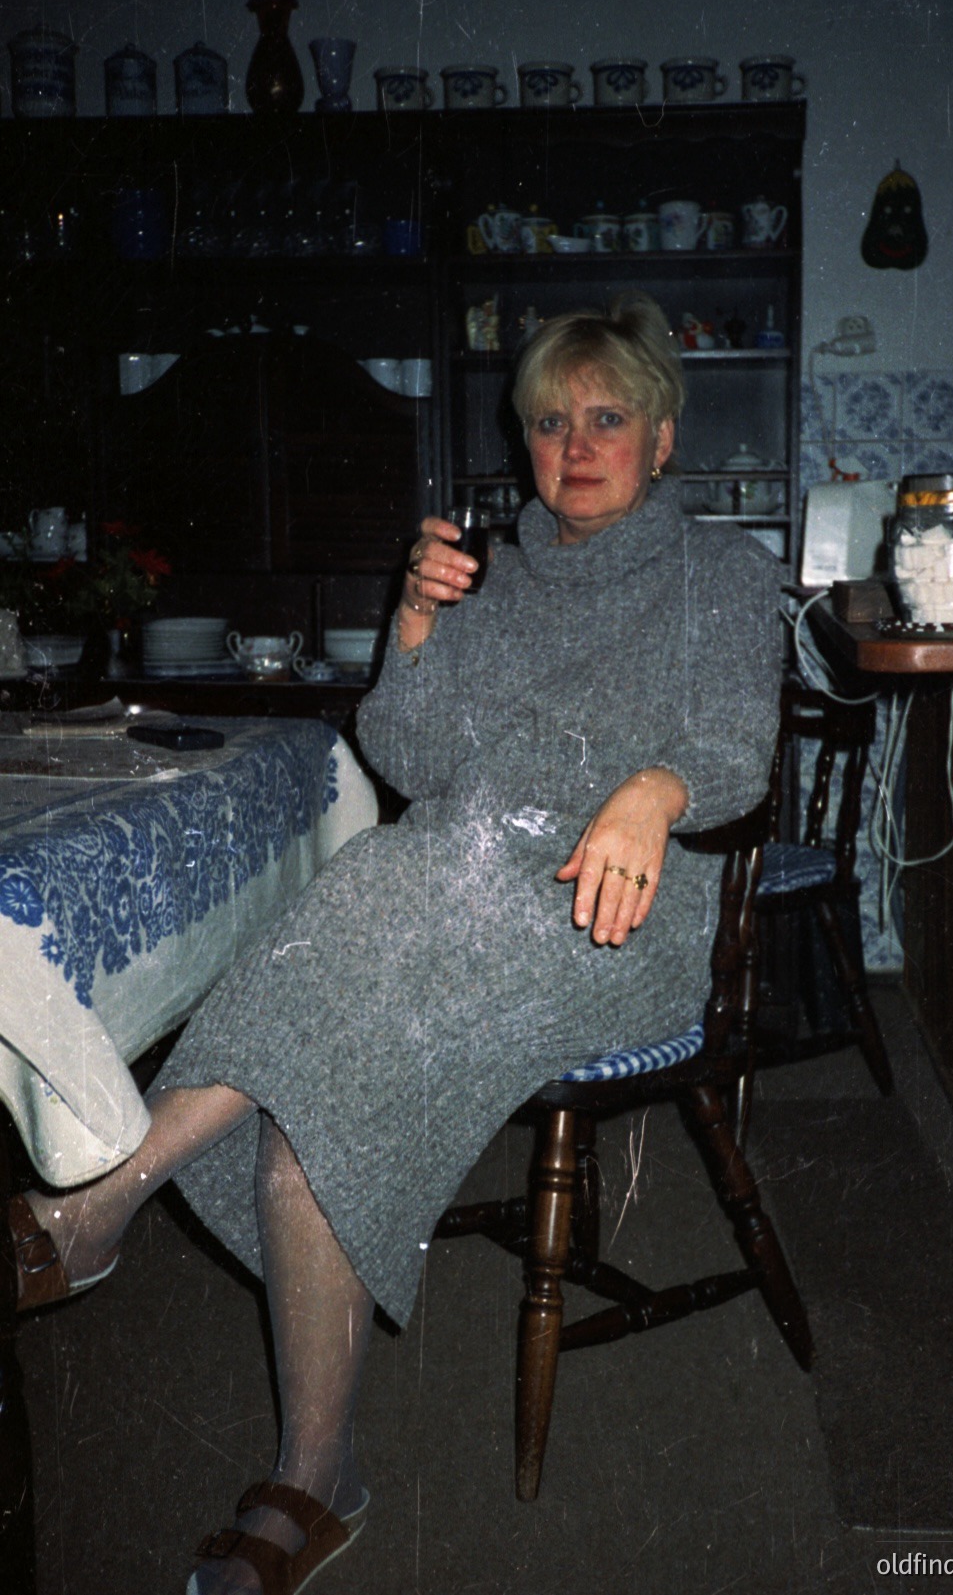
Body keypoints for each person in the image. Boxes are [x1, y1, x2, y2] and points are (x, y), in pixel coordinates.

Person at [9, 292, 783, 1595]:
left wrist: (654, 791)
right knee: (334, 1056)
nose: (576, 446)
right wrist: (415, 630)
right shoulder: (490, 574)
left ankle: (98, 1201)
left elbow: (736, 748)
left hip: (618, 916)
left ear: (661, 440)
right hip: (459, 887)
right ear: (523, 439)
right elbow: (413, 760)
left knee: (372, 892)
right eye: (550, 422)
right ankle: (316, 1474)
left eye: (608, 419)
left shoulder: (725, 575)